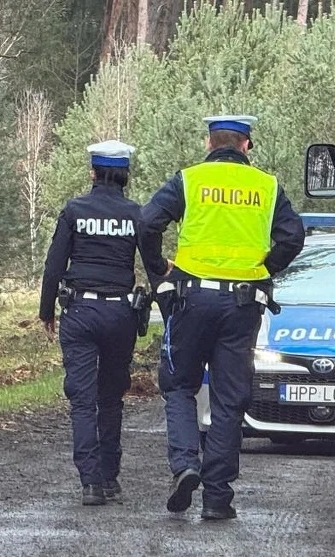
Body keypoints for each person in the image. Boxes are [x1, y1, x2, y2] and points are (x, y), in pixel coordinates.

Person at [138, 115, 305, 520]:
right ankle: (217, 498)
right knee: (229, 399)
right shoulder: (266, 186)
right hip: (242, 304)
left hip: (190, 300)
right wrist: (264, 269)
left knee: (179, 385)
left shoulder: (189, 180)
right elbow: (293, 237)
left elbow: (147, 222)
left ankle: (185, 465)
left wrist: (158, 267)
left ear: (208, 143)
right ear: (246, 146)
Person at [40, 140, 144, 507]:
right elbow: (152, 264)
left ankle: (90, 483)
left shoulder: (74, 211)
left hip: (80, 313)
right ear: (125, 175)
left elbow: (55, 264)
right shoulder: (136, 214)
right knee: (111, 397)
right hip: (120, 314)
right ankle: (110, 476)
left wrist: (46, 311)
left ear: (92, 173)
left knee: (82, 400)